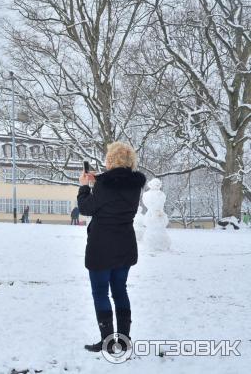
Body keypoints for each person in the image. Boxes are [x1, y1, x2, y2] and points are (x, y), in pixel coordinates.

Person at [77, 142, 146, 353]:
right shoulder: (135, 185)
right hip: (125, 245)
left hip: (101, 247)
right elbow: (115, 190)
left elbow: (86, 207)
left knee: (100, 292)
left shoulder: (104, 184)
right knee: (120, 290)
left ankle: (107, 340)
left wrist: (84, 186)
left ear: (111, 160)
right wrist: (98, 180)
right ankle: (124, 340)